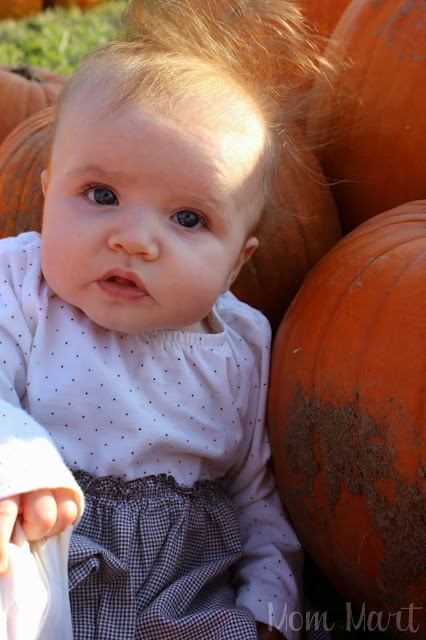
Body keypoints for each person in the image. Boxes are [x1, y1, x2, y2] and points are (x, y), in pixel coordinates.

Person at [0, 1, 337, 638]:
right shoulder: (19, 287)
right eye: (101, 196)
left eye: (188, 219)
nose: (134, 240)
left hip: (178, 598)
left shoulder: (239, 349)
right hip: (43, 550)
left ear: (238, 265)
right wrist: (14, 473)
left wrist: (270, 609)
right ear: (45, 194)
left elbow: (259, 501)